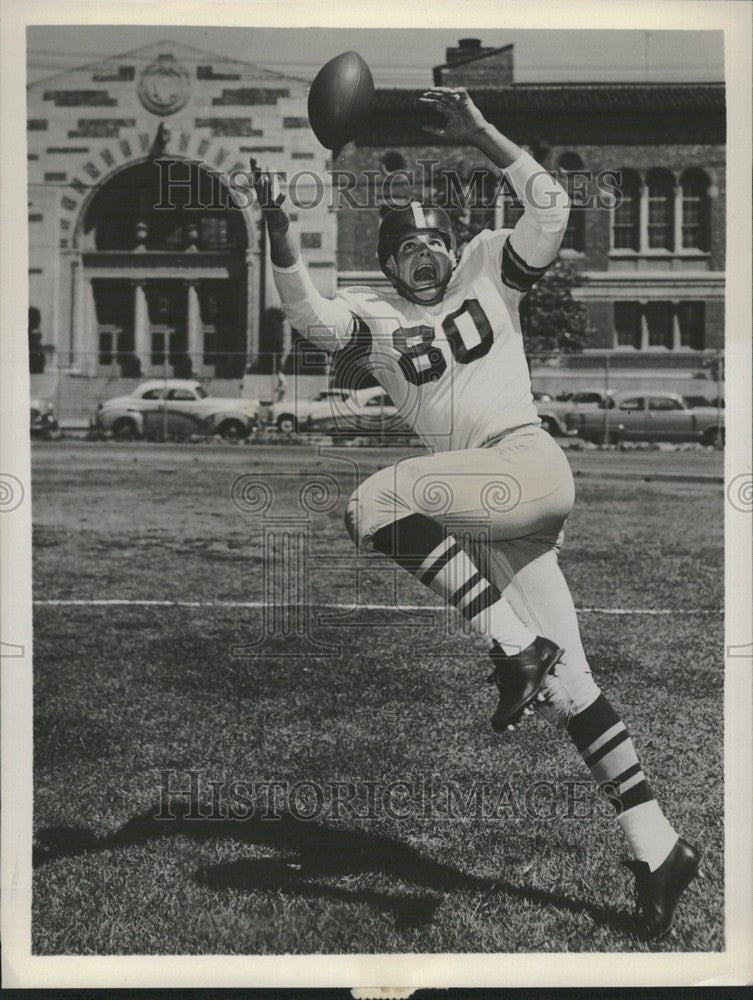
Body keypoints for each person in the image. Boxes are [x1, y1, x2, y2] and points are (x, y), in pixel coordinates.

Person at [249, 86, 701, 940]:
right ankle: (658, 845)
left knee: (373, 500)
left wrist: (483, 134)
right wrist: (278, 236)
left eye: (434, 241)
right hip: (489, 516)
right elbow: (308, 317)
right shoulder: (379, 324)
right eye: (408, 248)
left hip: (525, 464)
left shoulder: (492, 267)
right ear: (386, 263)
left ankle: (508, 645)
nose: (426, 255)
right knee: (573, 685)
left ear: (452, 244)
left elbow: (552, 203)